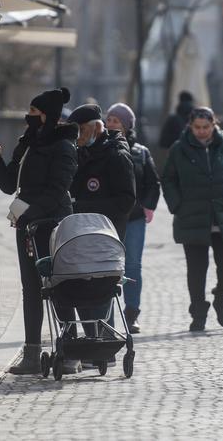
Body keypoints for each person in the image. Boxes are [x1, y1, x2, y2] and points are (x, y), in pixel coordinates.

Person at [0, 87, 79, 374]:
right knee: (31, 289)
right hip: (28, 225)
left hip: (52, 224)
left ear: (47, 115)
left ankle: (70, 352)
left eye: (34, 111)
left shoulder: (64, 146)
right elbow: (9, 184)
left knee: (59, 285)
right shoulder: (28, 143)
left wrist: (30, 213)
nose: (29, 116)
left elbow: (57, 191)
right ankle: (32, 354)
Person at [161, 107, 223, 332]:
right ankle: (198, 314)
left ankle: (221, 298)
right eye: (197, 127)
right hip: (192, 217)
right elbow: (168, 179)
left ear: (214, 124)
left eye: (206, 127)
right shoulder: (179, 149)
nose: (201, 131)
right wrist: (177, 205)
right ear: (190, 126)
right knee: (197, 270)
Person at [67, 104, 136, 351]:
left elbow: (126, 201)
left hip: (105, 235)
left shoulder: (116, 155)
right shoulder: (80, 153)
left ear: (96, 128)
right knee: (80, 288)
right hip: (80, 234)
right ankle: (92, 343)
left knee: (102, 289)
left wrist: (82, 207)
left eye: (82, 130)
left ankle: (106, 346)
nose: (78, 136)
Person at [105, 103, 160, 334]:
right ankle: (105, 317)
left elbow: (153, 182)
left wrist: (148, 206)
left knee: (133, 265)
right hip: (108, 218)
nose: (111, 124)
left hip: (134, 217)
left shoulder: (141, 152)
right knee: (105, 266)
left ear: (127, 125)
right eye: (109, 120)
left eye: (116, 121)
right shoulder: (100, 148)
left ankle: (132, 313)